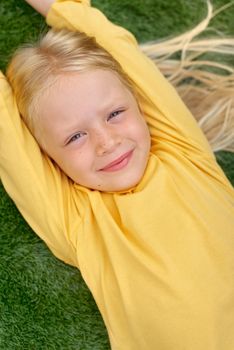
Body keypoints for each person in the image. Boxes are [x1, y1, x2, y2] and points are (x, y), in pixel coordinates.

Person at [0, 0, 234, 349]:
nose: (107, 143)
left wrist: (64, 9)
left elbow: (117, 46)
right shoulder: (79, 221)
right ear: (48, 157)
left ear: (139, 105)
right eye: (75, 136)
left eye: (114, 114)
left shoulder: (185, 155)